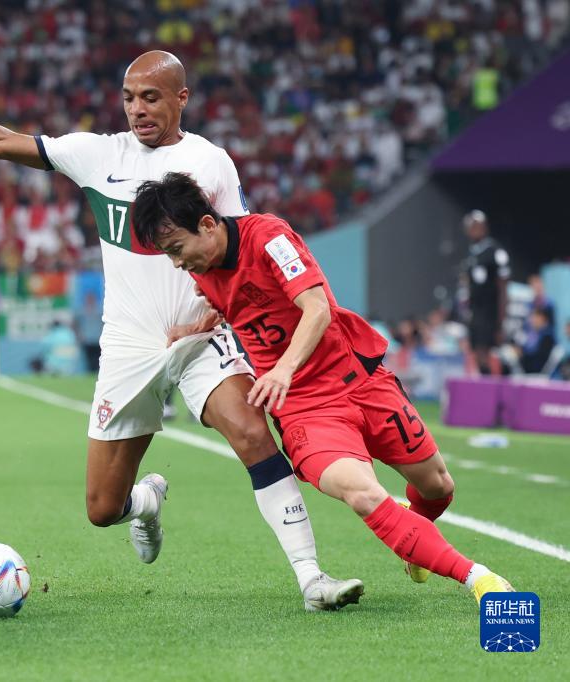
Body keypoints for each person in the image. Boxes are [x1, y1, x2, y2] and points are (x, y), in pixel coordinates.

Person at [0, 51, 363, 611]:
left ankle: (312, 579)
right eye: (129, 98)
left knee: (253, 435)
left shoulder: (211, 163)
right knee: (101, 508)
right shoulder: (97, 155)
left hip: (196, 338)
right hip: (127, 347)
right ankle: (146, 503)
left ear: (181, 99)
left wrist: (217, 315)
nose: (138, 109)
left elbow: (237, 246)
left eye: (151, 98)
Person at [131, 171, 515, 603]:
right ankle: (480, 580)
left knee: (439, 487)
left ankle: (415, 539)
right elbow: (234, 306)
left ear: (206, 224)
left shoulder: (271, 238)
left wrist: (283, 368)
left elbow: (317, 309)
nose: (177, 264)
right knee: (363, 494)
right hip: (305, 410)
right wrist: (196, 326)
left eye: (176, 249)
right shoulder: (203, 270)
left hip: (361, 381)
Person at [462, 210, 509, 375]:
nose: (473, 230)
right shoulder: (472, 252)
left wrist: (501, 319)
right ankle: (483, 382)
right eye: (470, 227)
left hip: (489, 311)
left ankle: (491, 386)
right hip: (475, 311)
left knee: (485, 352)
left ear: (484, 227)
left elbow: (503, 286)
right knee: (475, 351)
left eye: (476, 226)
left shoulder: (495, 251)